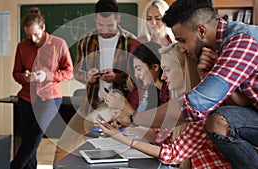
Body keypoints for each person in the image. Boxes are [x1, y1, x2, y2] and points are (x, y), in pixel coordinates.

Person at [114, 0, 258, 168]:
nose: (181, 48)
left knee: (218, 121)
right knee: (220, 116)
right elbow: (244, 103)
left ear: (202, 31)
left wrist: (133, 118)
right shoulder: (219, 50)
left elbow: (194, 105)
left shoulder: (241, 42)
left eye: (182, 40)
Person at [100, 43, 232, 169]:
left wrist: (120, 137)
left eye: (167, 70)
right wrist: (130, 125)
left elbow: (173, 154)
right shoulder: (178, 102)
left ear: (184, 70)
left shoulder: (201, 106)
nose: (163, 77)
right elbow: (160, 136)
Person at [53, 0, 136, 163]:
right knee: (62, 148)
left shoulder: (130, 42)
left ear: (118, 18)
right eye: (100, 25)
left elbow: (137, 79)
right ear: (95, 19)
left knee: (100, 145)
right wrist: (87, 76)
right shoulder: (86, 40)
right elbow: (76, 71)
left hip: (117, 107)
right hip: (89, 104)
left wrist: (117, 77)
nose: (105, 31)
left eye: (109, 26)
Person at [11, 7, 73, 169]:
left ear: (43, 28)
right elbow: (16, 73)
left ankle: (14, 166)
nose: (32, 38)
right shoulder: (22, 46)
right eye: (28, 35)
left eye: (36, 34)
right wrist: (24, 77)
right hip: (26, 97)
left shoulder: (59, 44)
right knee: (27, 139)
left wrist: (48, 76)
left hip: (50, 97)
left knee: (36, 134)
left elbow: (69, 72)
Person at [126, 0, 174, 109]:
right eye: (149, 19)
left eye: (158, 18)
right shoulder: (138, 43)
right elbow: (130, 79)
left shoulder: (175, 44)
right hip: (142, 99)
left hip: (169, 99)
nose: (153, 23)